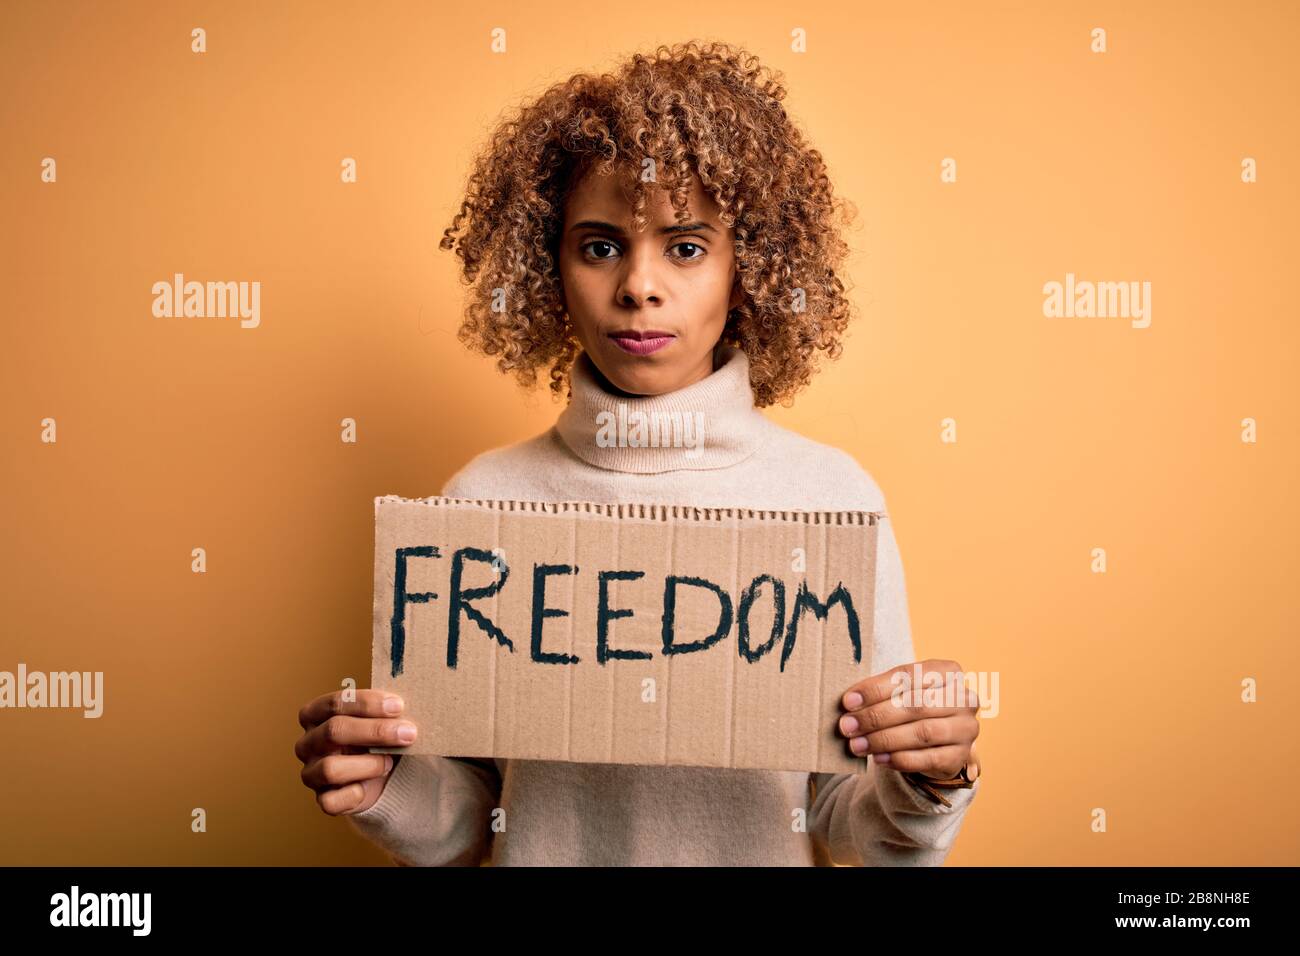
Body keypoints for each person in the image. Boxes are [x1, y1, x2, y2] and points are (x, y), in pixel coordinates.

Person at [295, 39, 981, 866]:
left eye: (686, 247)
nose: (638, 286)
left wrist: (927, 778)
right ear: (549, 266)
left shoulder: (830, 496)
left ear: (748, 269)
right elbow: (478, 818)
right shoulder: (482, 500)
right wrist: (384, 789)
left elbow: (850, 823)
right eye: (600, 245)